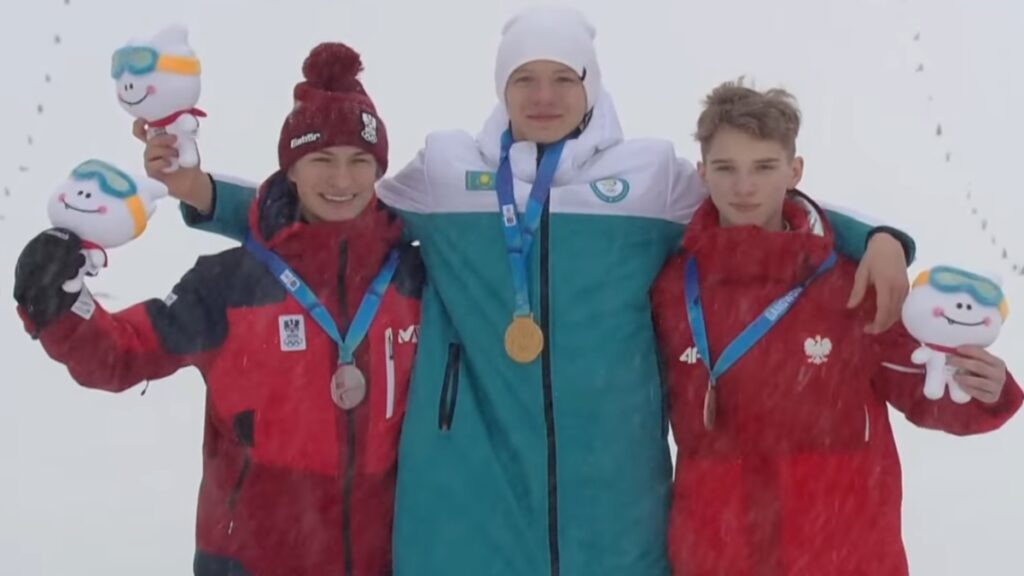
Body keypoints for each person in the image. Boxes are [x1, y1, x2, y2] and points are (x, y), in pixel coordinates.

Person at [137, 8, 916, 575]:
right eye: (525, 80)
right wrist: (202, 191)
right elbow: (335, 212)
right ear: (502, 87)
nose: (543, 96)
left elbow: (752, 202)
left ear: (590, 83)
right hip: (470, 468)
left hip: (612, 475)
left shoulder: (648, 180)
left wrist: (875, 238)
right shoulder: (447, 173)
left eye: (561, 79)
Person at [13, 42, 422, 576]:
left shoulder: (417, 282)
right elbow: (123, 353)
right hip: (250, 561)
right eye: (321, 160)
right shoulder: (231, 284)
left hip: (386, 560)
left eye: (359, 162)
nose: (341, 181)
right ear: (291, 170)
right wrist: (62, 309)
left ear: (378, 171)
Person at [651, 80, 1022, 576]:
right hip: (717, 551)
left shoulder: (850, 279)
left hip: (845, 552)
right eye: (725, 168)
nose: (744, 186)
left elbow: (919, 383)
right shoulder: (672, 286)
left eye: (763, 167)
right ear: (702, 174)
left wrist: (979, 389)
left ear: (794, 171)